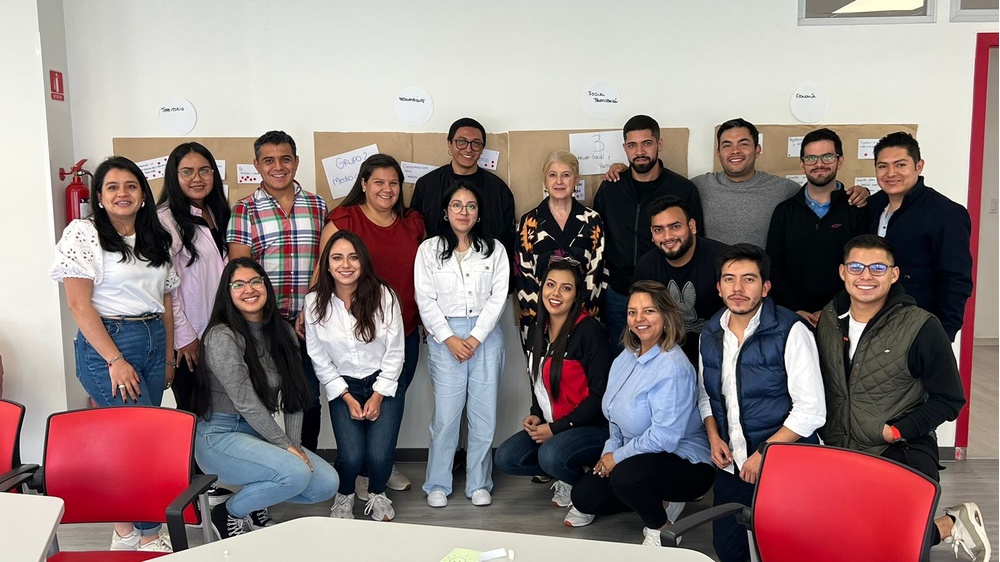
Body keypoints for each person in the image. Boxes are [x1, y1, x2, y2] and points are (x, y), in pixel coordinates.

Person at [815, 234, 990, 562]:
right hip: (842, 449)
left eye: (878, 268)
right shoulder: (828, 320)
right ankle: (949, 525)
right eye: (856, 266)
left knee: (896, 546)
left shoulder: (921, 326)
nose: (866, 276)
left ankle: (944, 526)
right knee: (844, 540)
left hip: (898, 448)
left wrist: (895, 431)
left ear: (894, 274)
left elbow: (950, 398)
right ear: (842, 272)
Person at [50, 156, 178, 553]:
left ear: (143, 194)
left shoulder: (155, 235)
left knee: (133, 440)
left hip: (153, 336)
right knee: (139, 441)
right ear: (100, 197)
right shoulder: (84, 233)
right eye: (112, 187)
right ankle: (150, 534)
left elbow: (165, 299)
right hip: (110, 342)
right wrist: (115, 360)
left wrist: (169, 355)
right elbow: (78, 304)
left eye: (131, 186)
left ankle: (124, 529)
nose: (123, 193)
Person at [698, 243, 826, 562]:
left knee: (786, 549)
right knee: (729, 552)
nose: (738, 288)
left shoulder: (791, 331)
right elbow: (706, 395)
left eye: (749, 279)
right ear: (718, 287)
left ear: (765, 287)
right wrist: (713, 437)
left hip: (785, 462)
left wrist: (762, 453)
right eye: (729, 279)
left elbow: (811, 411)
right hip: (734, 464)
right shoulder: (710, 332)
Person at [193, 258, 338, 540]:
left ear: (266, 286)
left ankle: (253, 502)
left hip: (255, 434)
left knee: (326, 484)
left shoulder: (283, 332)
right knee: (296, 473)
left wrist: (294, 446)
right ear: (227, 292)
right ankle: (228, 513)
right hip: (219, 436)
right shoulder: (222, 335)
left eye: (255, 281)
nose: (249, 289)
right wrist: (286, 447)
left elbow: (294, 398)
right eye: (238, 285)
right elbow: (246, 401)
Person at [568, 280, 715, 547]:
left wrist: (617, 458)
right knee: (584, 497)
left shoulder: (673, 367)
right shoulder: (626, 356)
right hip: (638, 456)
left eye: (649, 311)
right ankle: (657, 498)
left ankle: (660, 526)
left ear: (666, 316)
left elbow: (664, 439)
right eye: (632, 312)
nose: (639, 319)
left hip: (684, 461)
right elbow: (613, 416)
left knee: (624, 478)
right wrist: (609, 452)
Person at [318, 154, 424, 494]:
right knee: (353, 402)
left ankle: (381, 465)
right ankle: (362, 471)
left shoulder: (412, 222)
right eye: (378, 182)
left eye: (394, 183)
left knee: (389, 400)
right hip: (352, 335)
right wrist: (311, 311)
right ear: (363, 184)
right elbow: (324, 270)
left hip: (403, 331)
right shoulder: (344, 218)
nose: (387, 189)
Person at [227, 131, 327, 451]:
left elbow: (324, 264)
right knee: (264, 397)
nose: (278, 167)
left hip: (309, 322)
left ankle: (308, 461)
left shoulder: (317, 205)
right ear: (257, 165)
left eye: (285, 159)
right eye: (269, 160)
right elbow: (240, 274)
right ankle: (273, 463)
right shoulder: (244, 209)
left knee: (308, 397)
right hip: (265, 323)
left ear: (296, 162)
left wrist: (309, 311)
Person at [414, 181, 509, 508]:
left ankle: (479, 483)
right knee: (446, 417)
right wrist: (450, 338)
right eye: (456, 205)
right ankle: (437, 483)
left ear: (479, 213)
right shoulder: (428, 250)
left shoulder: (495, 250)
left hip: (486, 336)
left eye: (471, 206)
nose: (463, 212)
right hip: (445, 338)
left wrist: (476, 336)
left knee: (484, 416)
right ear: (445, 211)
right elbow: (425, 299)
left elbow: (498, 297)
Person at [494, 258, 611, 512]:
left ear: (577, 295)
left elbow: (600, 397)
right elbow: (538, 381)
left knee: (550, 455)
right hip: (554, 425)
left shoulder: (589, 332)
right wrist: (536, 415)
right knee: (506, 457)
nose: (555, 293)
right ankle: (572, 471)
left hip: (592, 428)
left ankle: (587, 489)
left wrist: (556, 429)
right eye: (550, 285)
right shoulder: (537, 327)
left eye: (566, 288)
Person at [306, 231, 405, 522]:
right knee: (350, 455)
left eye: (353, 257)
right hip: (343, 385)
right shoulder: (313, 302)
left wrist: (378, 394)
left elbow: (395, 351)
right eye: (337, 258)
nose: (346, 264)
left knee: (379, 454)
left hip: (382, 381)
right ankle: (345, 494)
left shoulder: (383, 295)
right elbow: (318, 357)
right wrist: (346, 396)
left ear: (363, 261)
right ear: (327, 265)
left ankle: (377, 493)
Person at [156, 141, 234, 504]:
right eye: (187, 171)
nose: (197, 178)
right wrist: (184, 337)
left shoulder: (219, 212)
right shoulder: (165, 220)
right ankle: (193, 489)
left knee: (215, 409)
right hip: (190, 336)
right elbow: (166, 288)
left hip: (222, 333)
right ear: (174, 176)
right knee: (193, 409)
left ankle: (209, 482)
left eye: (204, 170)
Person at [593, 115, 703, 351]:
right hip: (619, 293)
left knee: (668, 355)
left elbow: (695, 241)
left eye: (647, 143)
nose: (640, 151)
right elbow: (598, 237)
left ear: (659, 144)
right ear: (625, 148)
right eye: (632, 145)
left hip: (666, 294)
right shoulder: (611, 187)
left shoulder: (682, 189)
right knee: (622, 357)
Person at [691, 118, 868, 248]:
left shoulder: (785, 189)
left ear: (757, 150)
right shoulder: (698, 187)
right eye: (727, 145)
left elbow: (821, 189)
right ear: (718, 152)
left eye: (743, 144)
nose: (735, 151)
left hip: (763, 283)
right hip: (712, 282)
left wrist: (862, 192)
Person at [867, 131, 973, 341]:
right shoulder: (871, 206)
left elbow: (956, 279)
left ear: (919, 166)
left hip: (918, 328)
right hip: (872, 323)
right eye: (883, 166)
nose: (891, 173)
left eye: (900, 164)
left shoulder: (945, 213)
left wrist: (943, 335)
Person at [766, 128, 869, 327]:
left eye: (827, 157)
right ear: (802, 164)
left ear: (840, 161)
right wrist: (793, 310)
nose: (819, 164)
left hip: (845, 317)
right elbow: (773, 266)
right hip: (793, 318)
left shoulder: (857, 209)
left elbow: (862, 267)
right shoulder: (784, 212)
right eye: (811, 158)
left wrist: (835, 309)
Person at [515, 150, 606, 352]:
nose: (559, 181)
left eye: (566, 175)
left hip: (582, 318)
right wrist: (547, 315)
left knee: (581, 369)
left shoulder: (592, 220)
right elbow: (523, 274)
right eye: (552, 175)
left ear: (576, 180)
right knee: (543, 371)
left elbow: (597, 270)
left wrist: (575, 314)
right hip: (539, 318)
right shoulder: (529, 221)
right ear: (545, 181)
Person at [410, 117, 516, 287]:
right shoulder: (427, 185)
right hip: (436, 281)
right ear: (449, 144)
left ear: (482, 149)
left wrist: (505, 286)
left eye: (476, 143)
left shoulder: (499, 190)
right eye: (461, 142)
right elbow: (414, 234)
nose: (468, 148)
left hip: (486, 283)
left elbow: (509, 241)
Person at [633, 195, 726, 366]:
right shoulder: (646, 265)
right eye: (658, 230)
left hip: (718, 358)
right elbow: (641, 321)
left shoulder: (722, 261)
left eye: (675, 227)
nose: (667, 236)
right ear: (652, 234)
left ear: (692, 226)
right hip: (666, 359)